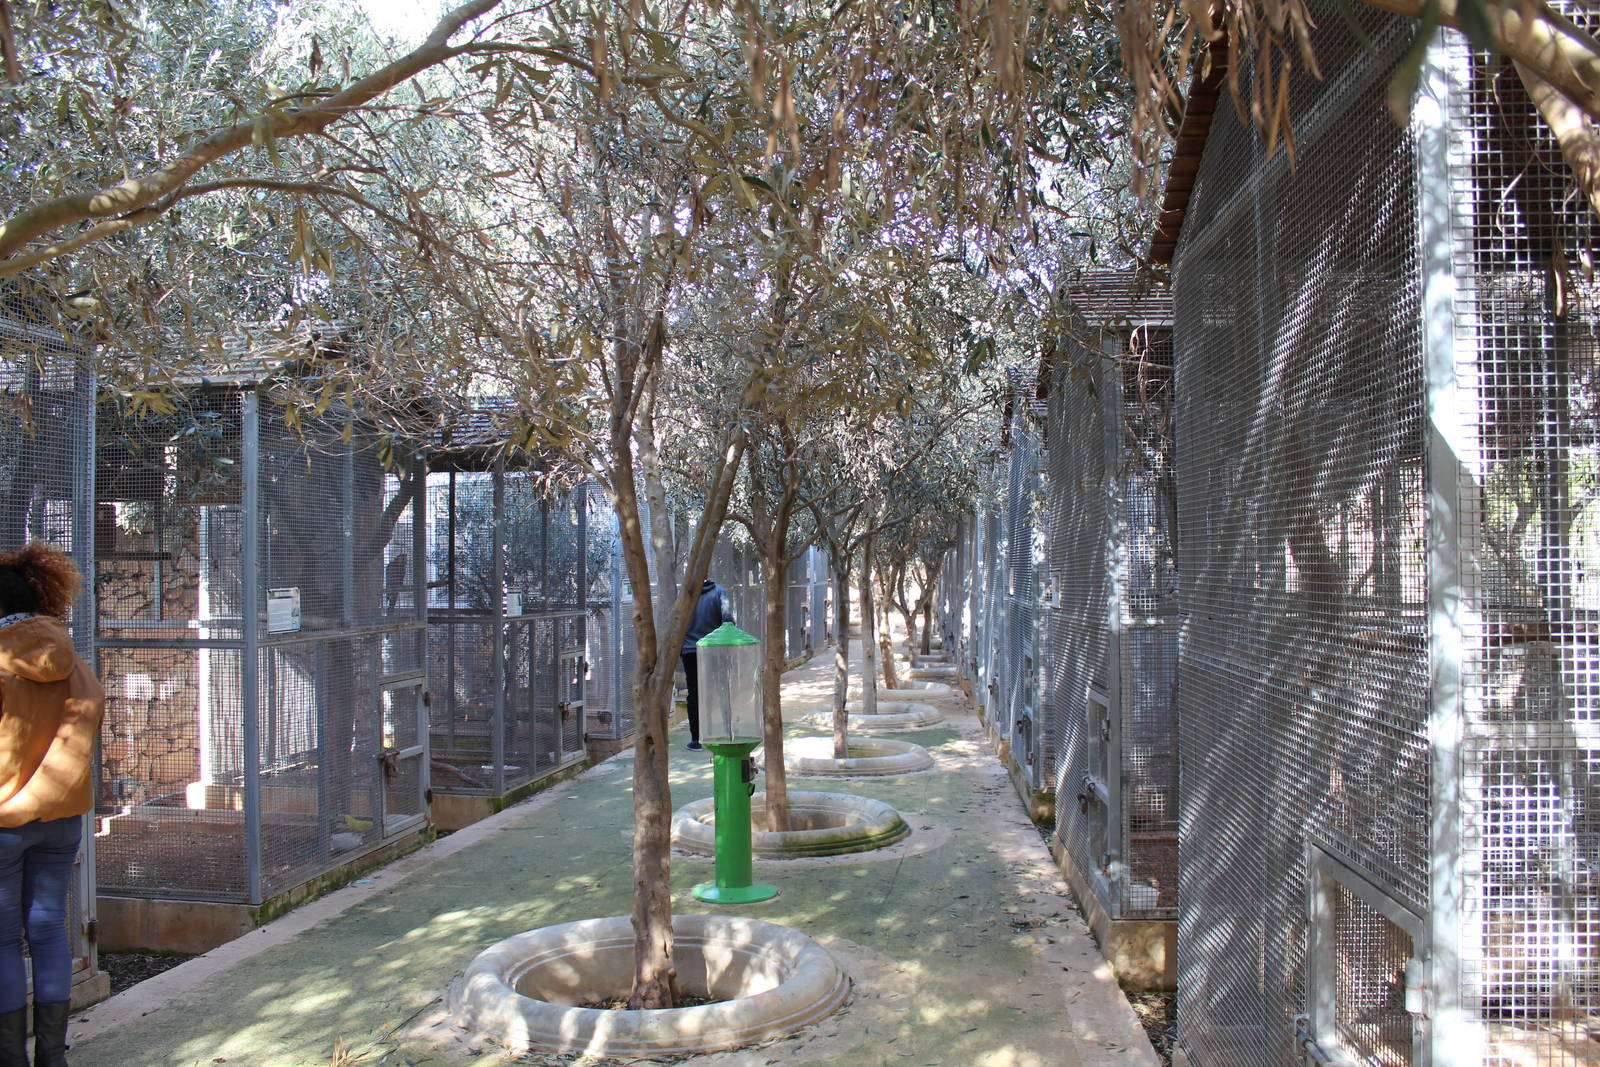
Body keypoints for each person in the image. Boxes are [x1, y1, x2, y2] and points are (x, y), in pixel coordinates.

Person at [0, 545, 104, 1067]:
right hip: (62, 818)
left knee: (2, 941)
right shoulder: (71, 661)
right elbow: (83, 731)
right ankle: (53, 1057)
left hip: (2, 823)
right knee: (47, 930)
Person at [680, 578, 733, 751]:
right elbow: (727, 619)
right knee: (721, 689)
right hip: (715, 649)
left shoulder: (685, 596)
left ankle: (696, 739)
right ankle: (726, 732)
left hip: (690, 651)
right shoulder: (719, 592)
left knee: (695, 694)